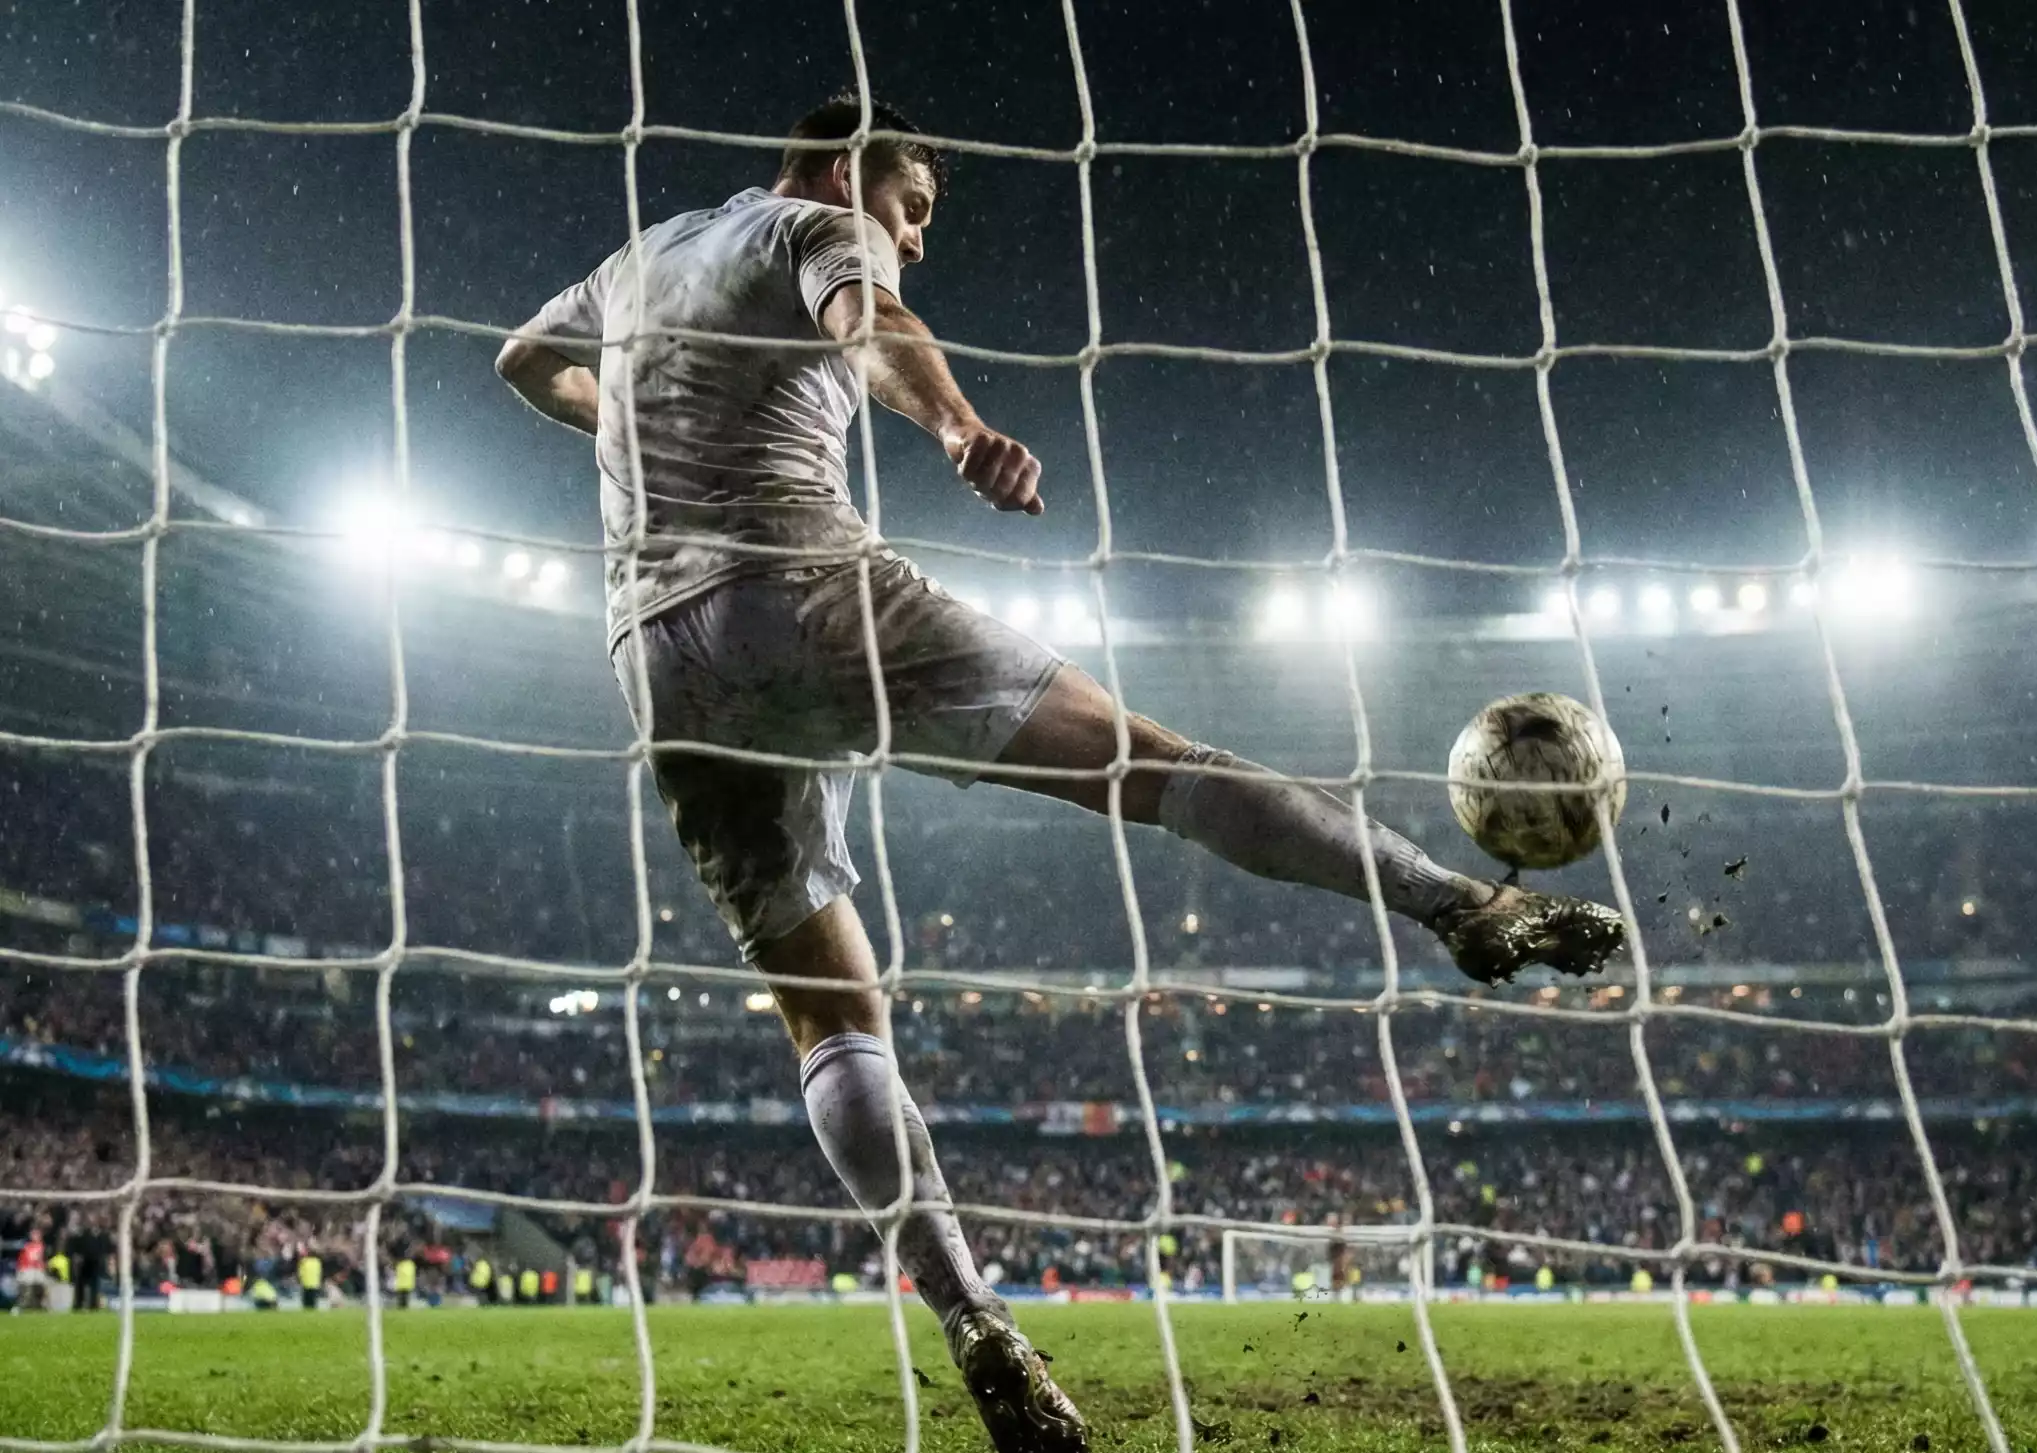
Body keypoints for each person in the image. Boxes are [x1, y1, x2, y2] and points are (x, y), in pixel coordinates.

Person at [496, 91, 1625, 1453]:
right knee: (1154, 767)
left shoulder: (641, 254)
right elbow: (877, 327)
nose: (909, 241)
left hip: (657, 653)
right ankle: (1460, 904)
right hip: (803, 585)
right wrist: (959, 429)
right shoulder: (817, 225)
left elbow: (519, 359)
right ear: (851, 170)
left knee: (830, 1016)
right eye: (912, 211)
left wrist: (623, 428)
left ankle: (970, 1316)